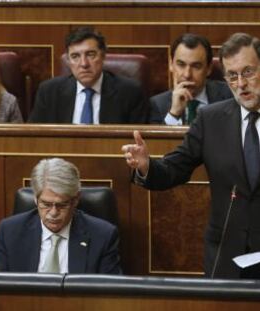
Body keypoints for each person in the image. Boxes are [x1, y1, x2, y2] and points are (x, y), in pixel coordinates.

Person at [122, 32, 260, 279]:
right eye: (232, 75)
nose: (240, 84)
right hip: (227, 255)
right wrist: (146, 166)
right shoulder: (211, 119)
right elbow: (176, 167)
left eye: (248, 72)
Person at [0, 157, 121, 274]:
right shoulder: (10, 232)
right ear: (35, 199)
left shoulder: (102, 236)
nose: (53, 213)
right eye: (46, 204)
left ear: (75, 200)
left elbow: (110, 295)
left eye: (62, 205)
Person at [29, 27, 147, 124]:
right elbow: (34, 139)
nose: (84, 64)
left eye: (90, 54)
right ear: (69, 61)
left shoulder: (129, 93)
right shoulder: (49, 92)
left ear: (103, 56)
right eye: (75, 56)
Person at [149, 33, 233, 125]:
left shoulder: (230, 96)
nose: (187, 74)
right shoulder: (158, 104)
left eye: (196, 66)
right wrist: (174, 114)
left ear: (209, 68)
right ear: (171, 64)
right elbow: (157, 139)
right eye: (181, 64)